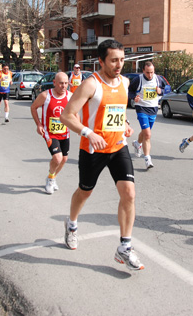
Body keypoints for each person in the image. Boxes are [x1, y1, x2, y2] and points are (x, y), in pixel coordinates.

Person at [60, 39, 144, 271]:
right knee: (85, 191)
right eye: (114, 60)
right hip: (93, 149)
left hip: (118, 146)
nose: (119, 65)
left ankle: (124, 247)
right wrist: (88, 133)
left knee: (129, 193)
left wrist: (125, 123)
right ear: (101, 61)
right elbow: (67, 115)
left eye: (122, 60)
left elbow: (116, 110)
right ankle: (72, 224)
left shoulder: (125, 82)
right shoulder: (90, 84)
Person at [31, 72, 72, 194]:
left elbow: (74, 113)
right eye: (60, 83)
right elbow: (33, 107)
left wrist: (79, 128)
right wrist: (38, 124)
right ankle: (50, 179)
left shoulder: (70, 96)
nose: (63, 86)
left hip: (65, 132)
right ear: (54, 83)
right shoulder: (45, 95)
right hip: (50, 132)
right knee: (57, 158)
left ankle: (52, 177)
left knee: (64, 159)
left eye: (65, 83)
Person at [129, 61, 167, 169]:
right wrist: (134, 97)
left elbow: (167, 89)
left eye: (152, 72)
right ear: (143, 71)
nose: (150, 75)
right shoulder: (138, 79)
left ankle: (137, 143)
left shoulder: (158, 79)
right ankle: (147, 159)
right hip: (141, 108)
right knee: (148, 134)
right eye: (147, 73)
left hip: (153, 108)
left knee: (146, 132)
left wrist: (161, 91)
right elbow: (130, 91)